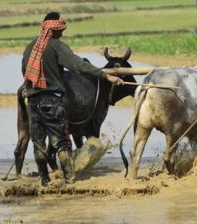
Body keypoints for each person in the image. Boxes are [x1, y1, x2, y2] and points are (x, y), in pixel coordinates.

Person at [22, 12, 123, 186]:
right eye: (60, 29)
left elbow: (25, 72)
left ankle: (44, 181)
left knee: (38, 143)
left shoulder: (30, 48)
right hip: (52, 101)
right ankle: (70, 179)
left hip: (32, 102)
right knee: (61, 142)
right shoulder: (57, 46)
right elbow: (79, 65)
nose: (62, 33)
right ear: (53, 30)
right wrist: (106, 76)